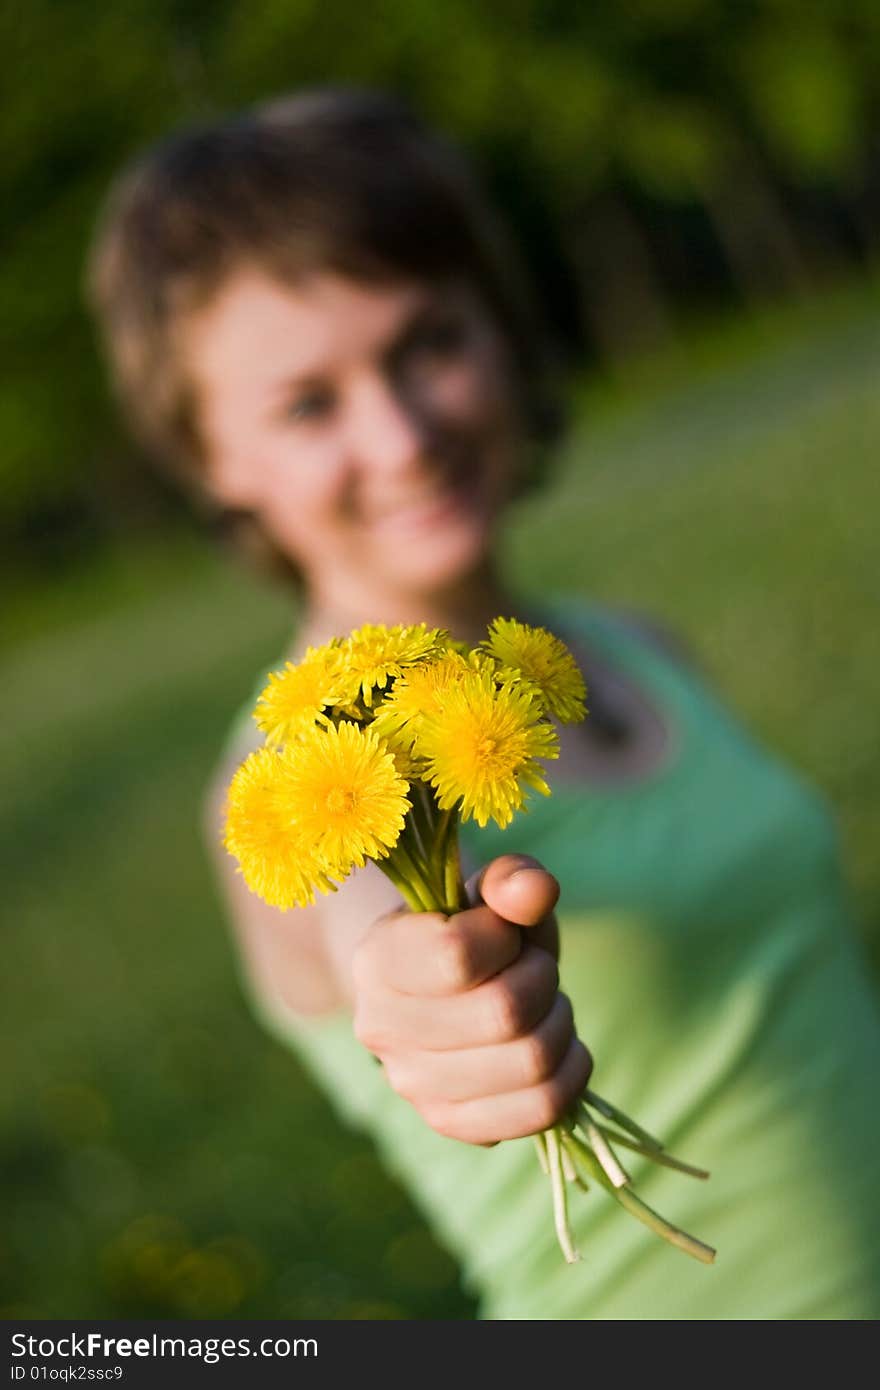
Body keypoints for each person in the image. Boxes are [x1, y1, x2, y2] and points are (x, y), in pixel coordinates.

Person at [87, 86, 880, 1319]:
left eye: (428, 344)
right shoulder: (296, 772)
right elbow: (376, 943)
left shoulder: (636, 648)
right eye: (309, 403)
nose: (400, 435)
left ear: (499, 331)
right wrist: (430, 1004)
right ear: (212, 460)